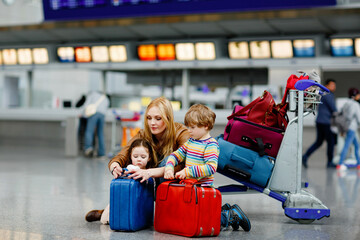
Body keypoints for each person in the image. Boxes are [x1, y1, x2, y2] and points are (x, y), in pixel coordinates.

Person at [85, 96, 190, 222]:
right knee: (136, 157)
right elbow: (123, 154)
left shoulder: (181, 132)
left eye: (158, 118)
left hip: (174, 185)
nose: (152, 123)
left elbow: (184, 164)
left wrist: (149, 173)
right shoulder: (144, 134)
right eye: (149, 118)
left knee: (169, 161)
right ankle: (117, 209)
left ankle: (163, 213)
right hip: (149, 184)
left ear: (168, 118)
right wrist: (115, 166)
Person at [164, 104, 251, 232]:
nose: (189, 130)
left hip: (203, 191)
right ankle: (224, 210)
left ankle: (231, 215)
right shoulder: (191, 142)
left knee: (207, 221)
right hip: (192, 188)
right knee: (194, 217)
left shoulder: (211, 145)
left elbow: (211, 168)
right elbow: (176, 155)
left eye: (192, 127)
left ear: (205, 126)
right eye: (188, 126)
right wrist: (169, 167)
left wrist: (188, 171)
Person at [99, 138, 157, 224]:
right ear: (130, 156)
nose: (139, 159)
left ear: (149, 158)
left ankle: (101, 213)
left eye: (143, 157)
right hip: (125, 202)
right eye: (135, 156)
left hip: (142, 205)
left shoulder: (151, 173)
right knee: (104, 220)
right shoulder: (129, 169)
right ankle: (103, 214)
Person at [302, 79, 337, 168]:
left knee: (319, 142)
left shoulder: (323, 94)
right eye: (332, 85)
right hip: (325, 122)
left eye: (334, 85)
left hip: (320, 121)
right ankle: (329, 162)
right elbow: (333, 108)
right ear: (327, 86)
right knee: (331, 141)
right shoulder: (328, 94)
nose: (334, 87)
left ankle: (305, 156)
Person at [337, 88, 360, 171]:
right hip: (352, 127)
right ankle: (340, 163)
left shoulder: (346, 103)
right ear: (354, 95)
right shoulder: (355, 104)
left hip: (346, 127)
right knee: (347, 145)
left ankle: (358, 163)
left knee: (356, 145)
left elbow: (342, 114)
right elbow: (358, 117)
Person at [82, 91, 110, 159]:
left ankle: (88, 148)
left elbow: (86, 105)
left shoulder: (93, 94)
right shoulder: (106, 98)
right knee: (100, 133)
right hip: (102, 115)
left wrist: (83, 114)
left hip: (93, 113)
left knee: (89, 131)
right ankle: (101, 153)